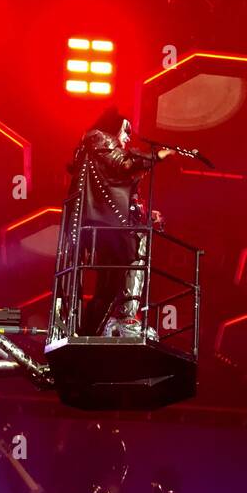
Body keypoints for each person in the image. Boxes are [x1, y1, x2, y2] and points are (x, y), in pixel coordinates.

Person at [64, 107, 173, 338]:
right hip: (104, 223)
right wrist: (156, 156)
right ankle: (126, 318)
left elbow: (119, 186)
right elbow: (123, 165)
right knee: (134, 253)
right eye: (126, 131)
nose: (127, 138)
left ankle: (97, 328)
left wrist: (145, 213)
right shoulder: (99, 138)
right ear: (115, 126)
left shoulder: (98, 146)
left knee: (110, 284)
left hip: (106, 222)